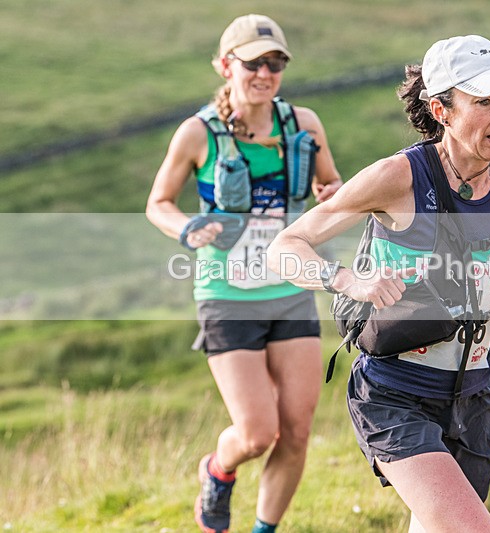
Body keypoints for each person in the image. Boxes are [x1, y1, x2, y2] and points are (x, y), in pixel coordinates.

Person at [268, 34, 490, 532]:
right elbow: (285, 247)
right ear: (441, 110)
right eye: (484, 101)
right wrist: (346, 280)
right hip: (396, 394)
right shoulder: (397, 178)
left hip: (474, 396)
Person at [146, 14, 342, 533]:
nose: (265, 72)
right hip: (226, 294)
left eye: (275, 62)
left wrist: (332, 195)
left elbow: (333, 186)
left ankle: (263, 530)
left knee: (297, 430)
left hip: (291, 290)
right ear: (226, 64)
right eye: (254, 62)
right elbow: (158, 203)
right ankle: (217, 469)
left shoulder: (304, 125)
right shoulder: (197, 133)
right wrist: (187, 228)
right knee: (258, 433)